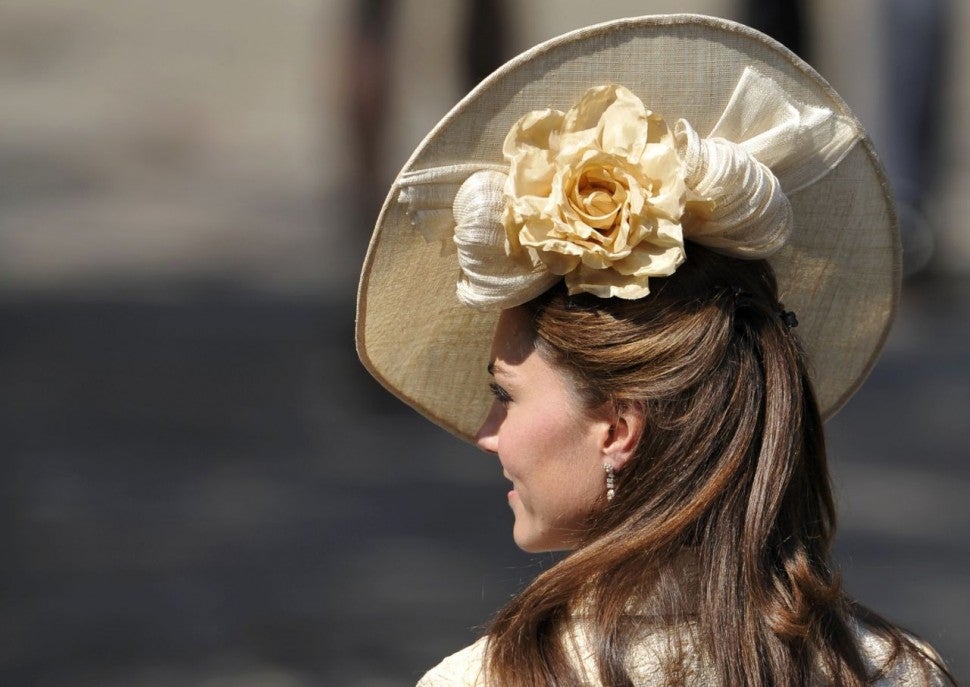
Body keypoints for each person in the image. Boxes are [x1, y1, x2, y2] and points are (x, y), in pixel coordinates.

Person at [355, 15, 953, 686]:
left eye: (504, 393)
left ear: (619, 427)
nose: (486, 433)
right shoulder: (896, 672)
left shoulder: (490, 678)